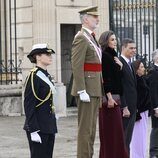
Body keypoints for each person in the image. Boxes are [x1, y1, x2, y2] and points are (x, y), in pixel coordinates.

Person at [71, 6, 103, 158]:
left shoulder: (91, 37)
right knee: (85, 130)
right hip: (87, 89)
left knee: (91, 130)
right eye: (94, 16)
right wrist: (81, 90)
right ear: (85, 19)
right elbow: (77, 65)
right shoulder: (81, 37)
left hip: (95, 88)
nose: (97, 19)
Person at [23, 43, 57, 158]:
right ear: (38, 57)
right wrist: (33, 130)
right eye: (47, 54)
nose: (50, 56)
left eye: (50, 54)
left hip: (48, 125)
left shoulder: (46, 75)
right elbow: (29, 105)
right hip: (38, 126)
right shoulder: (34, 77)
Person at [98, 30, 128, 158]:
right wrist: (109, 98)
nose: (115, 42)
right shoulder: (104, 55)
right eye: (112, 40)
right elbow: (106, 78)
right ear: (106, 41)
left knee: (117, 134)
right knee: (111, 134)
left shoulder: (114, 55)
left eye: (115, 39)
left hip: (117, 98)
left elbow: (118, 79)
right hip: (110, 100)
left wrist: (121, 67)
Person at [119, 38, 137, 154]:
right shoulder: (119, 62)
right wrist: (124, 106)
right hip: (125, 109)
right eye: (131, 48)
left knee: (128, 140)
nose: (134, 50)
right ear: (123, 48)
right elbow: (120, 86)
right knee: (123, 139)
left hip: (133, 107)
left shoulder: (130, 63)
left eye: (135, 48)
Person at [130, 59, 151, 158]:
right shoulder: (137, 81)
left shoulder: (142, 79)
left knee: (142, 137)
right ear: (136, 69)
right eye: (141, 67)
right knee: (138, 137)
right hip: (140, 112)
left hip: (144, 111)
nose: (143, 69)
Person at [148, 50, 158, 158]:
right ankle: (154, 153)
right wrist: (156, 108)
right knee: (156, 129)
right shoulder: (153, 71)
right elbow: (153, 91)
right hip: (157, 107)